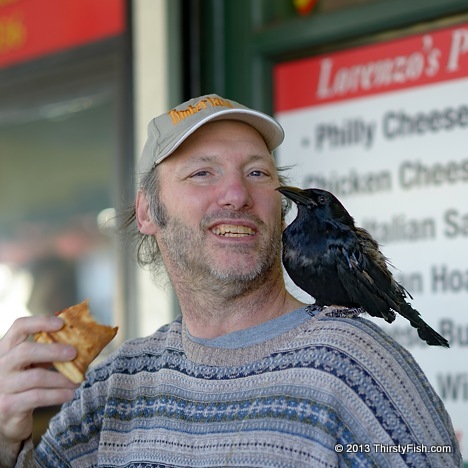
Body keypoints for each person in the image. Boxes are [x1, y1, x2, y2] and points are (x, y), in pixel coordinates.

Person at [0, 94, 462, 467]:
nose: (238, 195)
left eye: (257, 173)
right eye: (203, 173)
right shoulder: (116, 384)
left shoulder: (360, 367)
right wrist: (4, 439)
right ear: (147, 212)